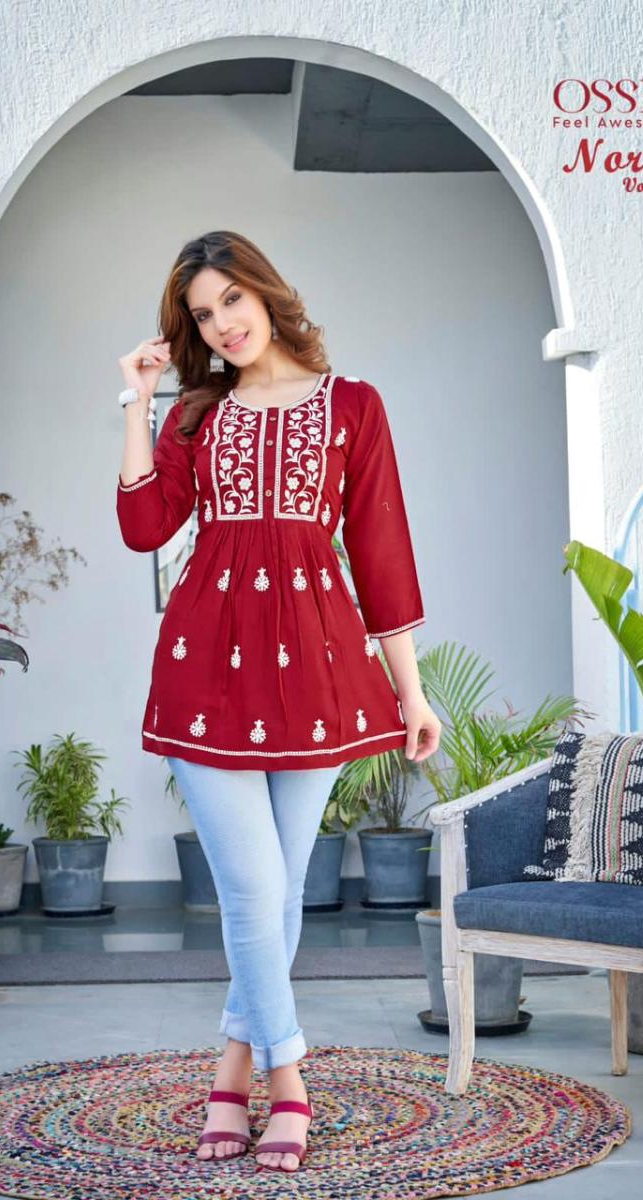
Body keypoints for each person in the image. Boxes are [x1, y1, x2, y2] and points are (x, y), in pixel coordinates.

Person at [116, 230, 441, 1173]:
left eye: (231, 300)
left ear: (264, 291)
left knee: (281, 893)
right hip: (204, 673)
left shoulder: (354, 406)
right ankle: (290, 1079)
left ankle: (232, 1068)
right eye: (202, 315)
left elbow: (381, 555)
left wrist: (412, 692)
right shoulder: (195, 415)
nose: (222, 324)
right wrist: (138, 402)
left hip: (317, 675)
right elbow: (144, 527)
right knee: (256, 890)